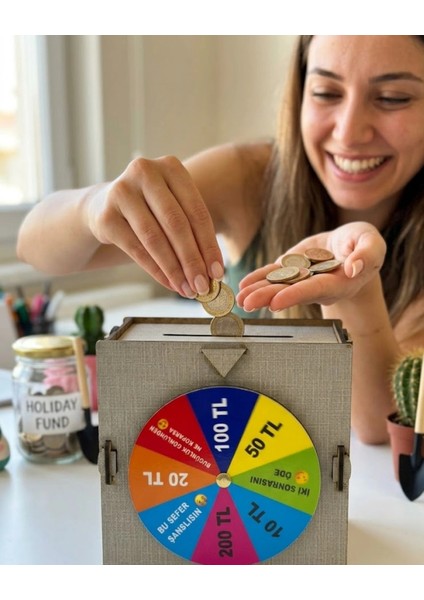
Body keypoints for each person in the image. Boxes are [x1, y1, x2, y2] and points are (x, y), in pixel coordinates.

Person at [17, 36, 424, 445]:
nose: (349, 132)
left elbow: (382, 429)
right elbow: (33, 248)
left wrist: (354, 291)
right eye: (325, 92)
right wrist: (92, 205)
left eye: (393, 98)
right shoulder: (250, 175)